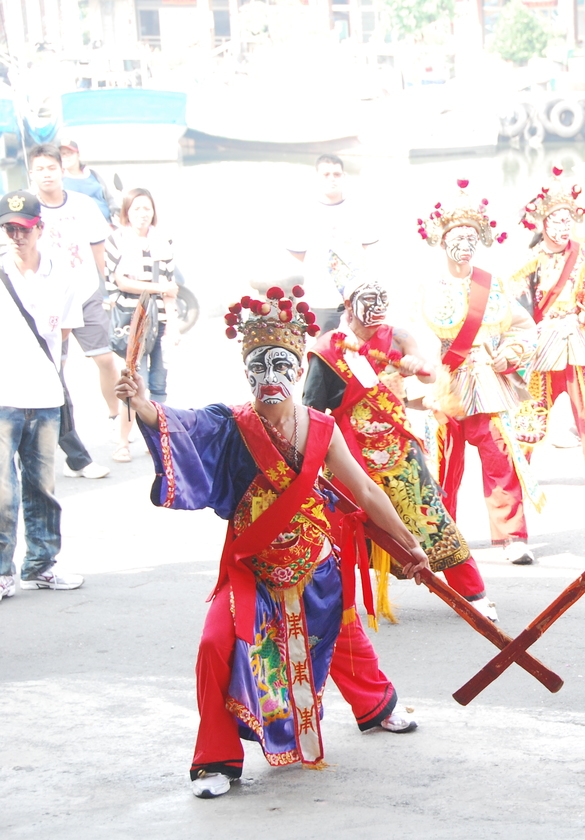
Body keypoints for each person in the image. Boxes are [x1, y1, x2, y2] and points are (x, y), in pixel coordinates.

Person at [117, 290, 430, 799]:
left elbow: (367, 491)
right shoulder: (230, 423)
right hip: (253, 568)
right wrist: (140, 404)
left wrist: (408, 541)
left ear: (298, 370)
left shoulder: (321, 428)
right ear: (246, 372)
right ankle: (216, 758)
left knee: (340, 633)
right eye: (258, 365)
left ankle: (377, 706)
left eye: (281, 364)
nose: (269, 376)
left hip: (315, 561)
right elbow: (181, 424)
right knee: (215, 644)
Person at [304, 278, 500, 620]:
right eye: (367, 308)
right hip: (349, 452)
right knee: (338, 526)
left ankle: (473, 593)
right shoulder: (328, 350)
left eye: (380, 307)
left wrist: (413, 364)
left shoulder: (396, 336)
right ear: (348, 306)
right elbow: (312, 408)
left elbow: (427, 374)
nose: (374, 318)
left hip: (398, 448)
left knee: (432, 517)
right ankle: (329, 603)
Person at [415, 180, 539, 572]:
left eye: (471, 237)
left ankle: (512, 535)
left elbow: (525, 326)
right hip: (446, 385)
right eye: (458, 237)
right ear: (442, 240)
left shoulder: (493, 285)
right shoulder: (426, 288)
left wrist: (510, 354)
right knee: (441, 464)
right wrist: (421, 382)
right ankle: (440, 536)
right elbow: (410, 341)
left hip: (487, 383)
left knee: (500, 459)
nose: (465, 244)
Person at [509, 167, 585, 493]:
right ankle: (518, 470)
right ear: (542, 223)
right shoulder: (529, 261)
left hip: (583, 339)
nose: (562, 227)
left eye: (566, 220)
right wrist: (525, 335)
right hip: (543, 342)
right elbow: (518, 309)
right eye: (555, 221)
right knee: (531, 409)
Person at [0, 190, 85, 599]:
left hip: (47, 396)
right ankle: (3, 571)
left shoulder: (61, 272)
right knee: (3, 491)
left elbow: (64, 334)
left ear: (40, 228)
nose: (17, 237)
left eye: (24, 229)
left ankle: (41, 565)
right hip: (4, 397)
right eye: (10, 229)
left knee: (42, 488)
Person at [28, 142, 114, 479]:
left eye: (51, 167)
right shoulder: (26, 208)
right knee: (55, 375)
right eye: (40, 169)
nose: (46, 174)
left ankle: (115, 416)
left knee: (104, 358)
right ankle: (72, 455)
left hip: (85, 292)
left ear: (62, 170)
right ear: (31, 173)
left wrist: (107, 289)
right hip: (46, 300)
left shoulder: (83, 204)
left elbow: (98, 249)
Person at [104, 188, 177, 463]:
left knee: (159, 384)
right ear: (126, 212)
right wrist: (159, 287)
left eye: (147, 208)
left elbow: (171, 290)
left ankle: (155, 439)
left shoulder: (163, 242)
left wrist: (174, 326)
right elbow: (121, 281)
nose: (142, 214)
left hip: (159, 321)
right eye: (136, 208)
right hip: (131, 321)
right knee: (133, 382)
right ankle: (122, 442)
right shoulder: (117, 241)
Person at [286, 154, 379, 334]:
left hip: (355, 298)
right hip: (321, 298)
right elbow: (297, 251)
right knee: (322, 346)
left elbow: (366, 247)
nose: (332, 179)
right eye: (326, 175)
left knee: (357, 347)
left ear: (344, 176)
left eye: (336, 174)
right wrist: (321, 263)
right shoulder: (304, 211)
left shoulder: (359, 209)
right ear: (317, 177)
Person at [59, 140, 116, 223]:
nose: (65, 157)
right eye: (62, 154)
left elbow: (109, 198)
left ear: (78, 155)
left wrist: (115, 211)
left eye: (70, 153)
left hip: (106, 223)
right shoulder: (59, 180)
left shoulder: (93, 174)